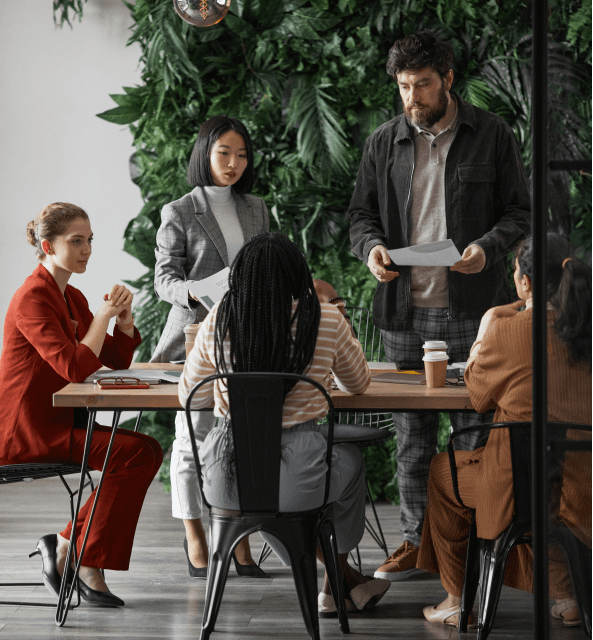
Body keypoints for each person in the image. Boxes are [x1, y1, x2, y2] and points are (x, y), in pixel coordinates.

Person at [347, 30, 531, 581]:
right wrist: (371, 250)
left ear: (448, 80)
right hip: (405, 312)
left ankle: (471, 547)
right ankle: (414, 543)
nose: (412, 98)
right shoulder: (384, 141)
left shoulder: (492, 134)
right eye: (403, 86)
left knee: (475, 433)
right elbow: (361, 216)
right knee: (412, 436)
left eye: (422, 85)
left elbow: (519, 213)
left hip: (477, 313)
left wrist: (487, 248)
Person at [178, 232, 392, 615]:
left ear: (238, 277)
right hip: (299, 475)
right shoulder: (324, 318)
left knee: (263, 502)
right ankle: (335, 585)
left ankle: (340, 582)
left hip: (229, 479)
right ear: (298, 275)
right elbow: (358, 384)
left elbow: (189, 394)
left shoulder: (219, 317)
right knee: (349, 463)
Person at [417, 233, 592, 628]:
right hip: (586, 488)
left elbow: (478, 396)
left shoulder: (507, 330)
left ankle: (456, 598)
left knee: (444, 472)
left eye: (515, 271)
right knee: (546, 471)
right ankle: (566, 594)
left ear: (525, 282)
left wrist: (486, 325)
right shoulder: (586, 328)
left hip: (527, 493)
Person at [0, 203, 163, 607]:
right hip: (26, 431)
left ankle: (68, 543)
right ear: (47, 245)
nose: (86, 248)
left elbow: (114, 357)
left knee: (144, 451)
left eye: (89, 240)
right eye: (76, 241)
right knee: (137, 454)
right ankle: (84, 557)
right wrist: (102, 317)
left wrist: (121, 320)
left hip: (58, 423)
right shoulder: (32, 298)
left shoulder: (69, 295)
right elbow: (74, 367)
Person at [150, 116, 269, 578]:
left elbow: (265, 266)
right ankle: (195, 537)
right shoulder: (179, 210)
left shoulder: (256, 207)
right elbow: (164, 281)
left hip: (247, 339)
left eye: (242, 155)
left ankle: (236, 540)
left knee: (239, 442)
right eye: (225, 153)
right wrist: (199, 289)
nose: (234, 163)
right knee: (192, 442)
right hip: (196, 339)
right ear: (205, 152)